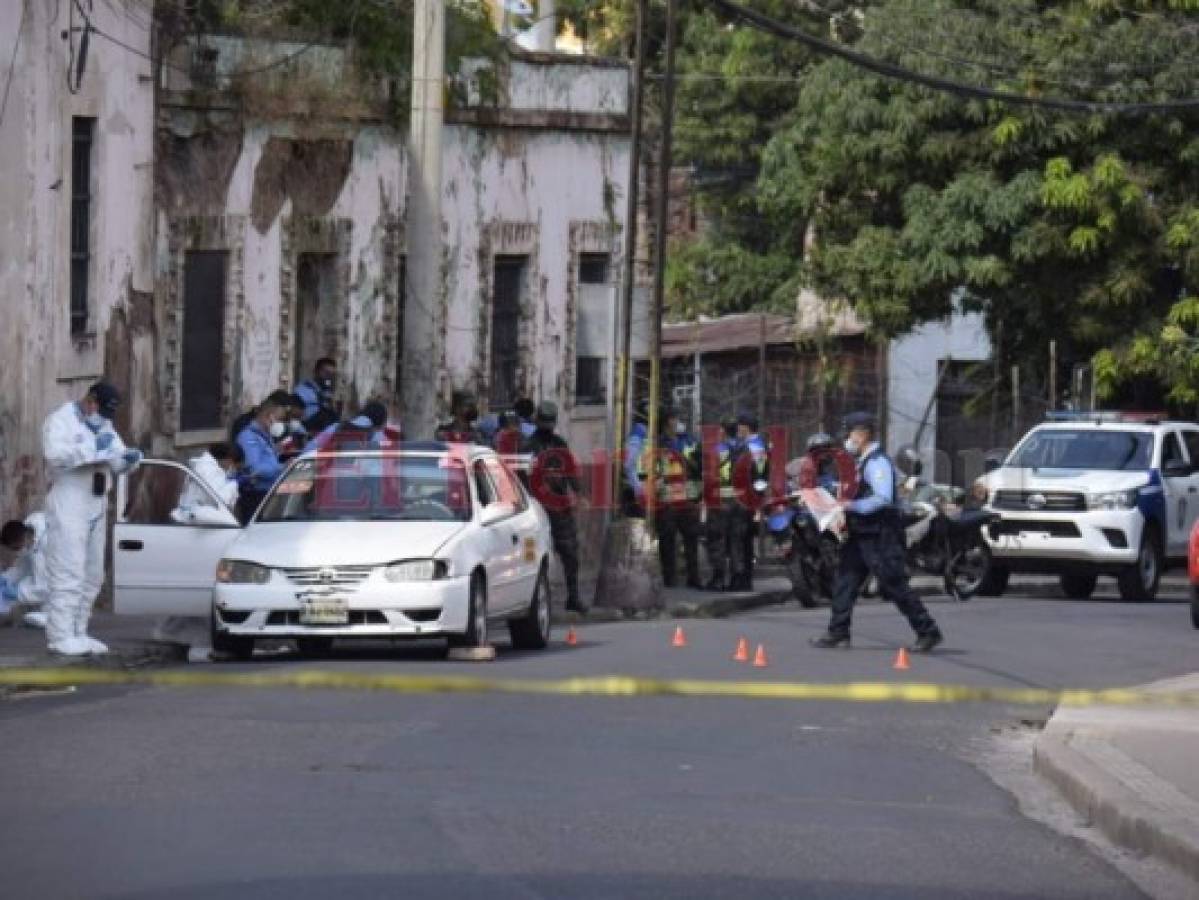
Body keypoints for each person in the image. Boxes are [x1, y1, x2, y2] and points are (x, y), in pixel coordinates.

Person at [811, 412, 944, 652]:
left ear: (862, 434)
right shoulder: (863, 461)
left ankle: (928, 631)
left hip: (880, 533)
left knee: (894, 584)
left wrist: (849, 506)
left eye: (849, 433)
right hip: (861, 531)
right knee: (845, 581)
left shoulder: (877, 462)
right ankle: (838, 632)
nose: (846, 439)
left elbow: (882, 498)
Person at [41, 381, 143, 655]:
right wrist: (91, 448)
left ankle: (79, 631)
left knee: (93, 573)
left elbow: (116, 459)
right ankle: (60, 635)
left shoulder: (104, 426)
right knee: (68, 570)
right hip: (69, 500)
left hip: (96, 501)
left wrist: (129, 461)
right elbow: (54, 456)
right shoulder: (60, 420)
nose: (102, 418)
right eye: (99, 410)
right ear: (90, 400)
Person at [523, 401, 586, 613]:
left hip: (559, 505)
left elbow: (570, 472)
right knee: (533, 555)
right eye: (544, 421)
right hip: (535, 507)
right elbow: (521, 477)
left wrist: (577, 493)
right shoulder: (528, 446)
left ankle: (573, 596)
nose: (547, 427)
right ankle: (533, 600)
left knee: (570, 551)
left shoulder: (560, 444)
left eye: (550, 422)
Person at [654, 410, 703, 589]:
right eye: (674, 419)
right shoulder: (658, 444)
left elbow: (700, 465)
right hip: (668, 500)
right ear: (667, 422)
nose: (677, 422)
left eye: (677, 418)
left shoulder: (689, 441)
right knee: (667, 540)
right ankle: (669, 579)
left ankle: (694, 578)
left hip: (688, 497)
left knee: (691, 539)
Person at [234, 395, 287, 524]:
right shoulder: (248, 437)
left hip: (268, 493)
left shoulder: (265, 436)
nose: (281, 423)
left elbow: (267, 461)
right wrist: (283, 467)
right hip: (255, 495)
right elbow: (255, 469)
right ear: (269, 416)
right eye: (279, 419)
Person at [731, 413, 769, 591]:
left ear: (746, 427)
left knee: (739, 539)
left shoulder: (754, 446)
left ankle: (741, 580)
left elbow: (760, 475)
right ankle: (743, 579)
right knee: (743, 540)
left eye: (739, 425)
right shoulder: (750, 445)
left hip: (745, 499)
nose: (737, 429)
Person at [705, 417, 740, 591]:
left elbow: (712, 475)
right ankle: (736, 579)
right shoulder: (744, 448)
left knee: (717, 539)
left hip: (721, 499)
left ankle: (718, 579)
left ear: (723, 432)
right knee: (735, 540)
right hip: (740, 501)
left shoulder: (718, 450)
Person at [172, 443, 242, 525]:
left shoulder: (205, 465)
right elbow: (221, 500)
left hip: (191, 515)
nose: (233, 470)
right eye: (235, 467)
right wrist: (233, 484)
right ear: (229, 460)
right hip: (193, 519)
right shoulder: (209, 470)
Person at [1, 512, 48, 627]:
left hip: (67, 583)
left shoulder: (44, 549)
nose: (16, 551)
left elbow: (44, 587)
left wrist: (18, 593)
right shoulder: (29, 530)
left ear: (23, 539)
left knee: (46, 618)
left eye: (16, 548)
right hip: (50, 583)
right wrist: (5, 578)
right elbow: (22, 567)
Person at [306, 401, 390, 453]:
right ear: (380, 422)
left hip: (333, 477)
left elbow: (311, 447)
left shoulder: (336, 427)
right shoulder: (377, 435)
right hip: (361, 479)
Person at [295, 358, 340, 433]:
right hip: (307, 427)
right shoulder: (302, 389)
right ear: (316, 371)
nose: (328, 376)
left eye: (331, 374)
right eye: (326, 372)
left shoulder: (327, 392)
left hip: (325, 430)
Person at [622, 400, 650, 517]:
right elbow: (629, 464)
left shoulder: (645, 433)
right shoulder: (638, 433)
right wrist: (639, 489)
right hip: (638, 491)